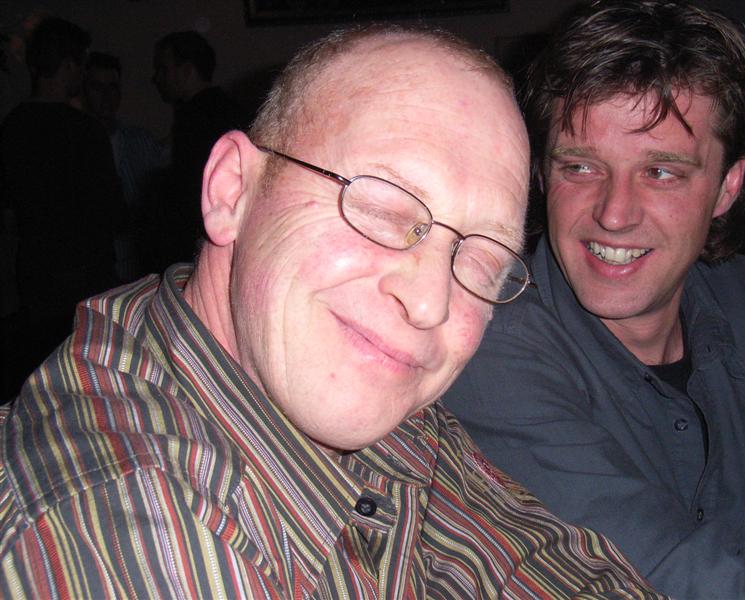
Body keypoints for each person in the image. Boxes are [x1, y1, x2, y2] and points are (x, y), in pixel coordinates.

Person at [0, 25, 663, 598]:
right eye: (382, 208)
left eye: (482, 262)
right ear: (232, 191)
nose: (429, 302)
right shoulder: (121, 520)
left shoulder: (362, 387)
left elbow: (544, 564)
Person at [446, 1, 745, 598]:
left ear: (727, 187)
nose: (614, 214)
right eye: (580, 167)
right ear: (542, 174)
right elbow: (661, 578)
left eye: (661, 173)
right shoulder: (490, 345)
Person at [0, 18, 125, 394]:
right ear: (70, 66)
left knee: (39, 387)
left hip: (36, 281)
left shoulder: (12, 127)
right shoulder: (85, 131)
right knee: (87, 387)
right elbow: (112, 211)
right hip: (86, 283)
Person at [150, 30, 247, 269]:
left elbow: (188, 189)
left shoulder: (195, 118)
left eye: (164, 69)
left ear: (187, 70)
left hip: (202, 239)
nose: (157, 78)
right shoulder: (226, 108)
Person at [84, 51, 165, 281]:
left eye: (112, 87)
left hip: (137, 262)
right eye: (97, 87)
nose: (106, 96)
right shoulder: (77, 146)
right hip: (93, 263)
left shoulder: (141, 141)